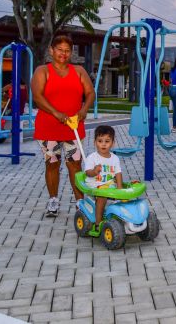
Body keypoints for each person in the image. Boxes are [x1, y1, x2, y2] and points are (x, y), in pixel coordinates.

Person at [32, 34, 96, 218]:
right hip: (49, 128)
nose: (63, 53)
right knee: (52, 164)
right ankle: (53, 200)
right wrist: (56, 113)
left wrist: (84, 110)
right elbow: (38, 97)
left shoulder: (79, 71)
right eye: (59, 49)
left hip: (73, 126)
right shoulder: (42, 71)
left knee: (75, 165)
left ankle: (80, 202)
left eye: (67, 50)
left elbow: (90, 93)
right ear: (52, 50)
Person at [83, 125, 123, 234]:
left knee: (125, 197)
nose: (103, 144)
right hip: (95, 184)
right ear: (95, 142)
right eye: (100, 141)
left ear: (112, 143)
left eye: (107, 141)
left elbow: (118, 173)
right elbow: (87, 173)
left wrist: (120, 189)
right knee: (102, 198)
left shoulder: (115, 158)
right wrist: (94, 171)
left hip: (108, 184)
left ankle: (122, 218)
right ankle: (98, 223)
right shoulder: (92, 158)